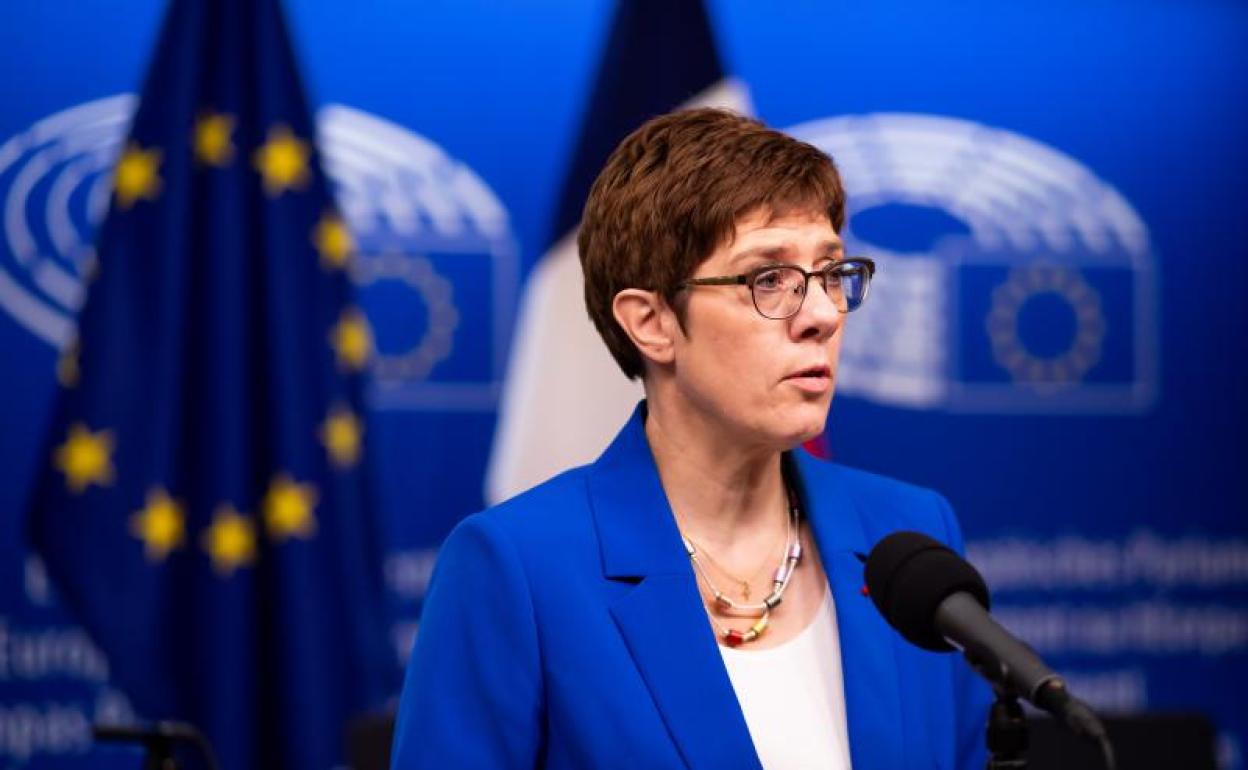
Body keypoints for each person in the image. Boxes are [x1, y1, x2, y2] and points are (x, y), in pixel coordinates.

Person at [390, 108, 990, 769]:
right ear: (651, 323)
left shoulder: (909, 533)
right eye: (769, 279)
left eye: (830, 272)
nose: (822, 314)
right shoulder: (519, 568)